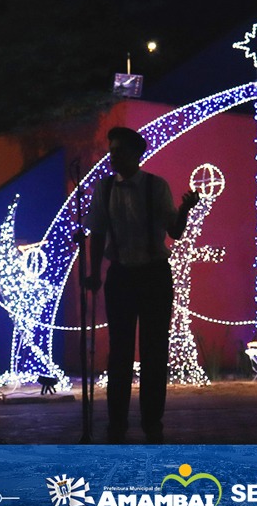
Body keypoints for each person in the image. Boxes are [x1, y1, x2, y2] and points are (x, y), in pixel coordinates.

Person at [84, 127, 199, 444]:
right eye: (111, 150)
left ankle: (152, 420)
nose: (112, 155)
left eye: (118, 150)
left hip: (153, 274)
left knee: (154, 351)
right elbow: (97, 232)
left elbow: (174, 231)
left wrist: (186, 209)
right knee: (119, 352)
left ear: (136, 154)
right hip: (120, 275)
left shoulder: (155, 186)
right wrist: (95, 273)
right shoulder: (104, 189)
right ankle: (117, 421)